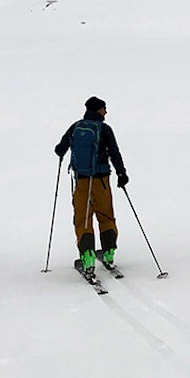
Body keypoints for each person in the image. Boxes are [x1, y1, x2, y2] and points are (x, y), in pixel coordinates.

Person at [55, 96, 129, 279]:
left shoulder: (75, 127)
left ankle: (87, 257)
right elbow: (114, 153)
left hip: (82, 181)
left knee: (83, 219)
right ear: (97, 110)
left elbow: (59, 149)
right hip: (101, 180)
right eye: (104, 108)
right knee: (106, 216)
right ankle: (109, 253)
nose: (106, 111)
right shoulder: (104, 129)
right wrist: (122, 174)